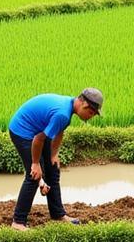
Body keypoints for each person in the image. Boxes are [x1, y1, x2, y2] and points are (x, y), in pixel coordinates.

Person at [8, 89, 103, 229]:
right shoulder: (62, 114)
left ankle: (57, 214)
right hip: (23, 131)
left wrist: (53, 154)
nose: (90, 117)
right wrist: (35, 163)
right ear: (83, 105)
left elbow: (59, 131)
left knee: (53, 169)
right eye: (91, 113)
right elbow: (38, 139)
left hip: (38, 132)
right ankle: (18, 222)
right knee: (34, 175)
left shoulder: (68, 109)